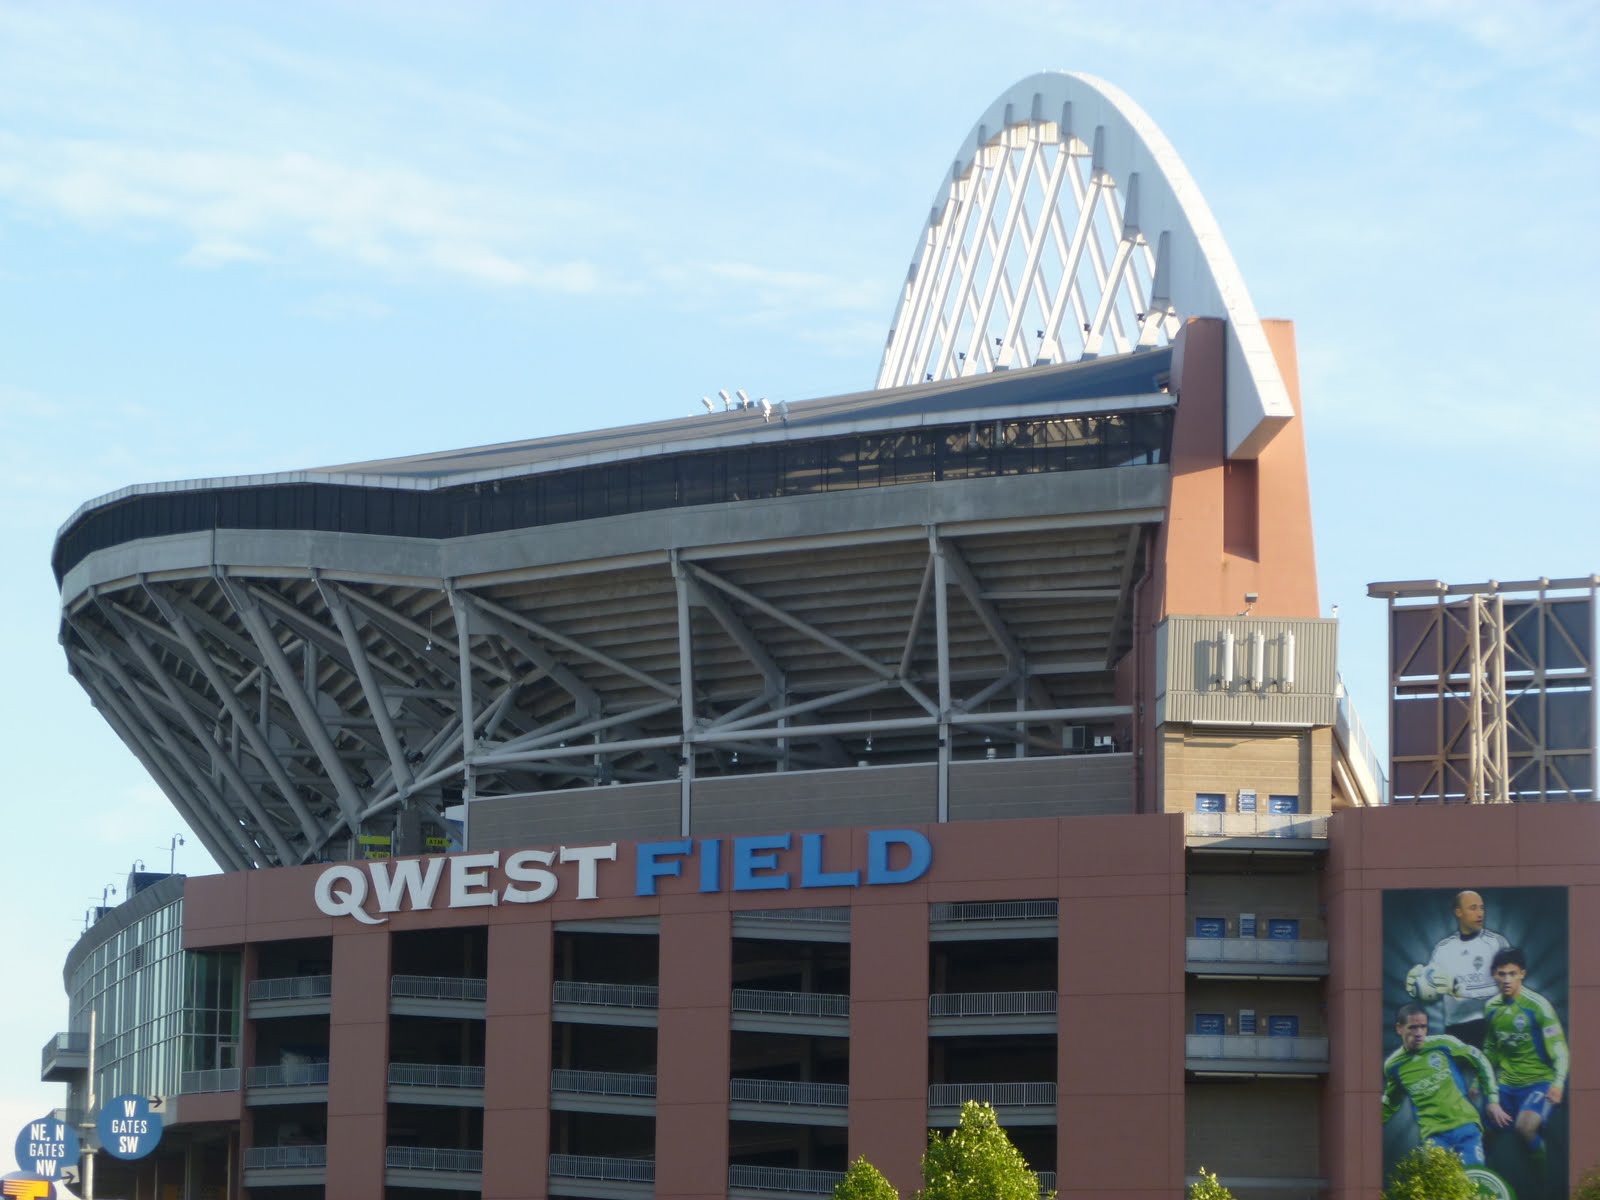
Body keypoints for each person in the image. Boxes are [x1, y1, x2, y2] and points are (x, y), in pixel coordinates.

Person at [1382, 1002, 1510, 1166]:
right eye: (1413, 1028)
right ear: (1400, 1028)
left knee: (1473, 1182)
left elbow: (1480, 1060)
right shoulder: (1394, 1066)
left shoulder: (1443, 1044)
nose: (1419, 1033)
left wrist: (1492, 1101)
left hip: (1465, 1126)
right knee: (1442, 1188)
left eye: (1423, 1027)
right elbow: (1391, 1102)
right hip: (1434, 1136)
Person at [1483, 947, 1568, 1188]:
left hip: (1539, 1082)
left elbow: (1560, 1049)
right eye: (1502, 974)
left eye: (1512, 973)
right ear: (1494, 975)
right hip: (1507, 1084)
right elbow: (1490, 1047)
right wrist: (1478, 1082)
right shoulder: (1491, 1008)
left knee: (1525, 1127)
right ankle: (1482, 1184)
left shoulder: (1538, 1006)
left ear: (1522, 974)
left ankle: (1543, 1182)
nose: (1507, 980)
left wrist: (1558, 1082)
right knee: (1485, 1133)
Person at [1406, 889, 1510, 1046]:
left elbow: (1507, 987)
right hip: (1456, 1028)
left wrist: (1462, 991)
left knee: (1491, 1070)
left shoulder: (1496, 943)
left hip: (1491, 1023)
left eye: (1482, 908)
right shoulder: (1443, 949)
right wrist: (1416, 989)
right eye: (1473, 908)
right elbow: (1432, 989)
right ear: (1458, 912)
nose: (1480, 913)